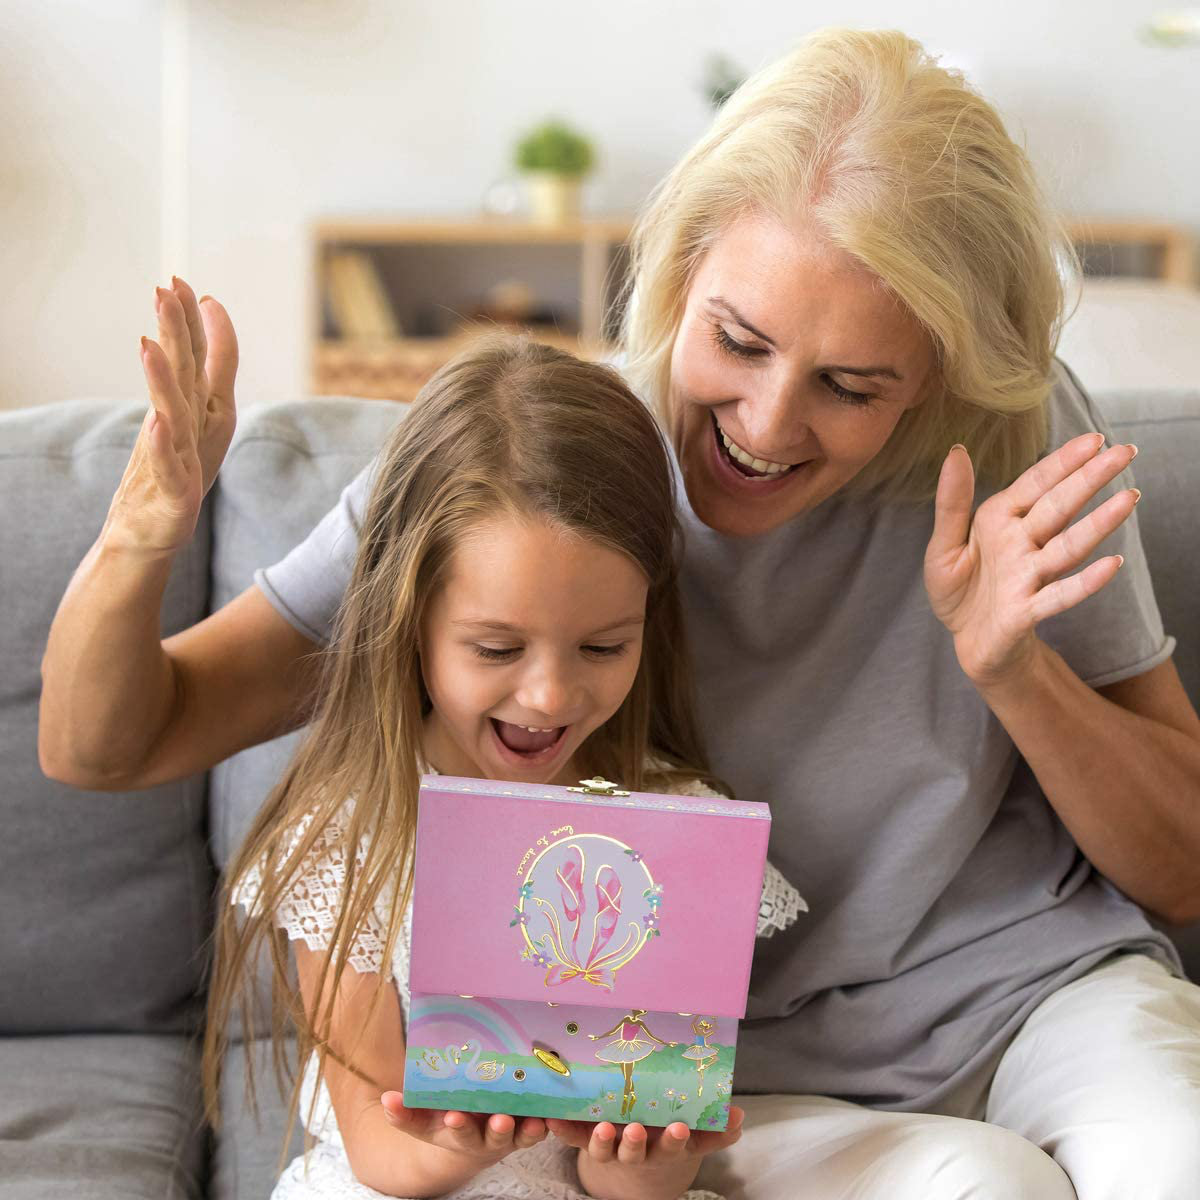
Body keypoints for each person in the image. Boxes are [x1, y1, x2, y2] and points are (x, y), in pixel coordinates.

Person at [40, 26, 1200, 1200]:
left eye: (852, 387)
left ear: (944, 374)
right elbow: (109, 741)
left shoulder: (1019, 439)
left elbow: (1185, 866)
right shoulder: (547, 477)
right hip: (749, 1073)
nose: (767, 421)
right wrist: (144, 531)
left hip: (1033, 992)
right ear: (682, 270)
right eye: (736, 340)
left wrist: (1014, 671)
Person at [203, 336, 804, 1200]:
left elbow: (650, 1153)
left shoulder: (673, 826)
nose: (551, 694)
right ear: (410, 621)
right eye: (495, 646)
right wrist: (463, 1140)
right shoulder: (357, 836)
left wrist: (642, 1161)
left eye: (604, 645)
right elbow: (376, 1142)